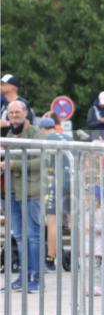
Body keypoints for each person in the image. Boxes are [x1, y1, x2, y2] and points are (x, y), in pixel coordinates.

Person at [1, 100, 43, 292]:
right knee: (18, 236)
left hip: (31, 192)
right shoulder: (10, 134)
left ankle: (37, 277)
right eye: (11, 113)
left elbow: (43, 160)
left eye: (18, 112)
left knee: (33, 236)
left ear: (26, 112)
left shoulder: (35, 133)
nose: (14, 115)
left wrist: (14, 165)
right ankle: (24, 276)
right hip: (12, 192)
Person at [36, 117, 72, 273]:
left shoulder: (46, 139)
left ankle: (50, 260)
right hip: (73, 179)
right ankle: (75, 259)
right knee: (71, 221)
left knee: (52, 221)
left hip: (58, 182)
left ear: (43, 129)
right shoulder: (68, 137)